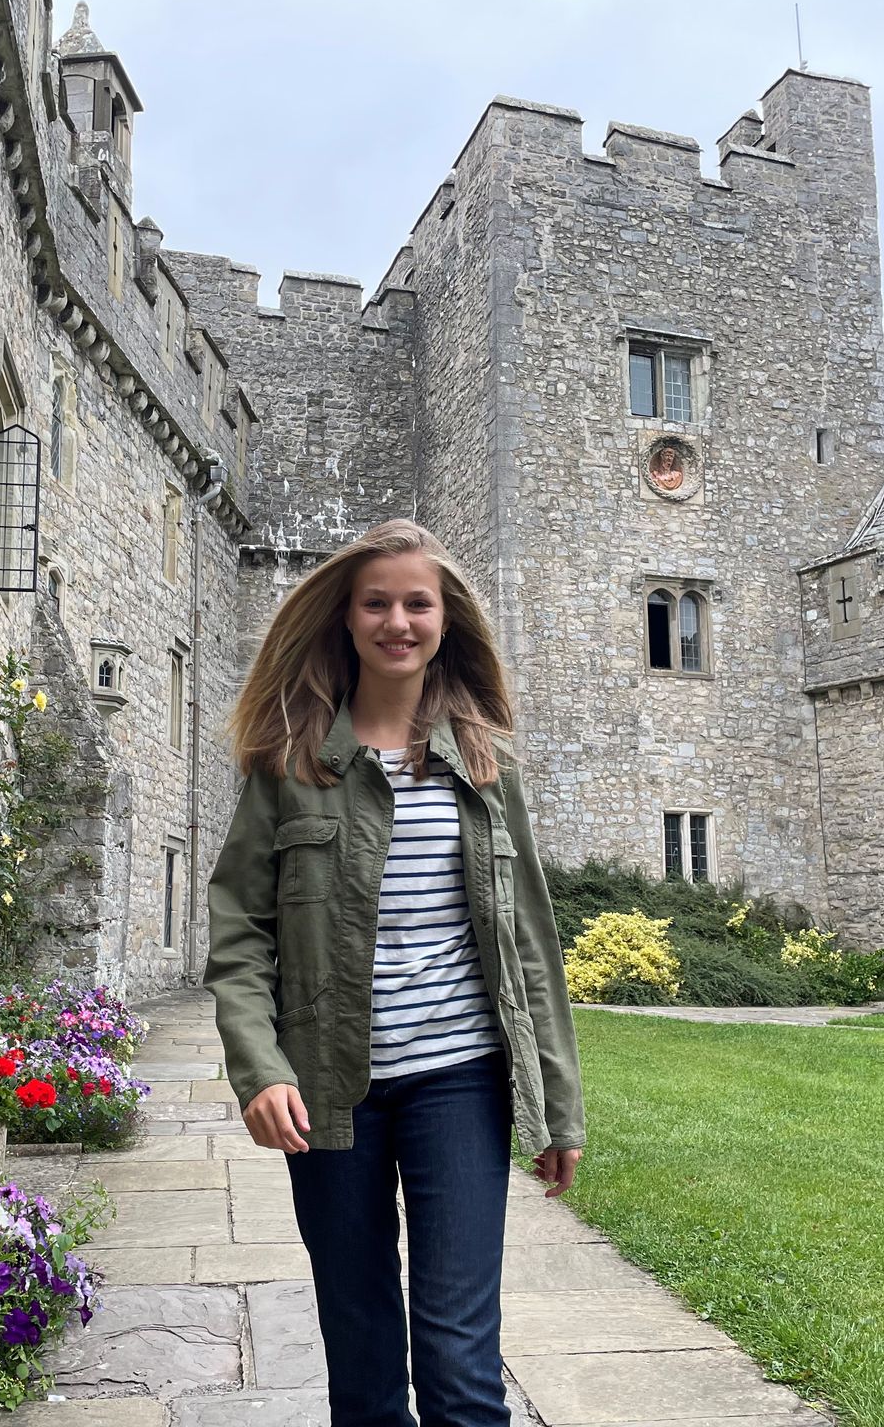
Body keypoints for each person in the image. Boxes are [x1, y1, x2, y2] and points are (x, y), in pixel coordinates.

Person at [204, 518, 585, 1427]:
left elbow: (530, 938)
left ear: (446, 620)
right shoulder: (290, 766)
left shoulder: (487, 766)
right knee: (363, 1352)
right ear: (346, 617)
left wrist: (557, 1106)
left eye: (419, 602)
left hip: (460, 1084)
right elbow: (239, 933)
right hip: (332, 1092)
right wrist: (262, 1069)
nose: (397, 620)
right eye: (376, 602)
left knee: (459, 1361)